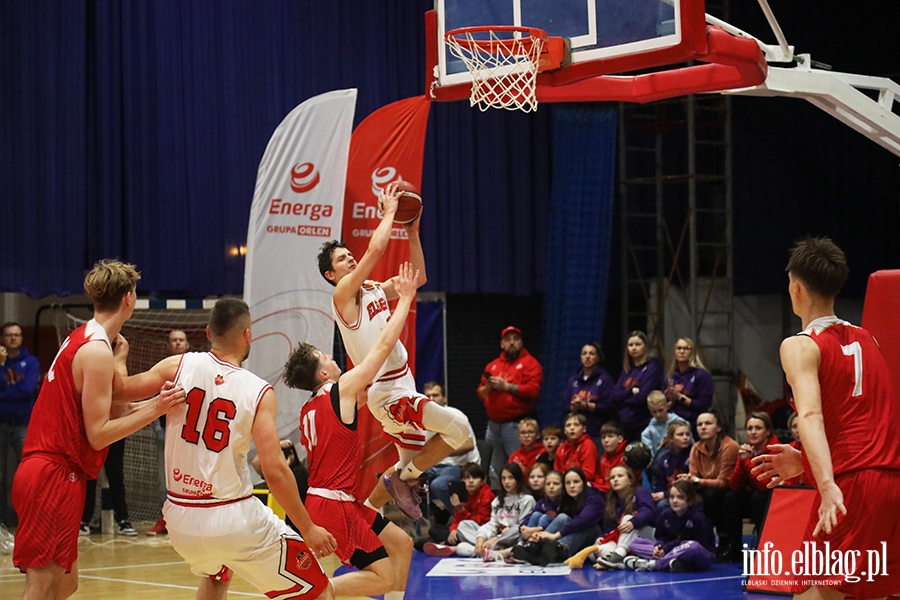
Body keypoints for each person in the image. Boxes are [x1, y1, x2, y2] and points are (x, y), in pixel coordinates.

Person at [112, 297, 337, 600]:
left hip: (180, 520)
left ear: (207, 332)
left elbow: (117, 394)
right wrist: (308, 529)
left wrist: (119, 358)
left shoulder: (177, 366)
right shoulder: (257, 390)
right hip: (233, 519)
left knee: (217, 575)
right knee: (319, 592)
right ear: (248, 335)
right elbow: (274, 470)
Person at [12, 259, 186, 600]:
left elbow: (117, 398)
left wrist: (156, 392)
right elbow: (99, 433)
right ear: (128, 299)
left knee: (66, 584)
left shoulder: (90, 339)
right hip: (52, 475)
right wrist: (156, 407)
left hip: (54, 473)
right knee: (42, 587)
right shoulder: (94, 350)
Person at [751, 237, 900, 600]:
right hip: (891, 484)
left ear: (796, 288)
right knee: (868, 594)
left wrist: (828, 484)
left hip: (851, 487)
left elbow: (812, 415)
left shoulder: (800, 345)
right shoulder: (869, 340)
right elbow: (862, 425)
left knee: (813, 593)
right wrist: (806, 464)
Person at [318, 184, 473, 520]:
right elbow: (374, 250)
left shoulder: (372, 289)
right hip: (386, 392)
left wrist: (412, 232)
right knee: (460, 430)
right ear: (332, 275)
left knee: (407, 464)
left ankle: (369, 515)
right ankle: (402, 479)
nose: (351, 258)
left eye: (350, 254)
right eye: (343, 259)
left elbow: (417, 278)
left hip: (404, 382)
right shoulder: (342, 296)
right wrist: (389, 212)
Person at [283, 262, 421, 599]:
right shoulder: (339, 390)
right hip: (333, 504)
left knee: (402, 544)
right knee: (383, 576)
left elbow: (367, 393)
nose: (331, 357)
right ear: (323, 376)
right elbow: (381, 351)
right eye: (323, 357)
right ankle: (318, 593)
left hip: (333, 499)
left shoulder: (311, 408)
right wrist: (403, 300)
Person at [425, 462, 535, 561]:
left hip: (511, 537)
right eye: (503, 478)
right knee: (463, 525)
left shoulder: (527, 500)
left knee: (517, 529)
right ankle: (488, 551)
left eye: (510, 478)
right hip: (492, 536)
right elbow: (492, 524)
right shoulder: (498, 500)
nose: (506, 482)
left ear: (518, 479)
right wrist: (480, 539)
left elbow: (523, 528)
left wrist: (495, 538)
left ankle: (458, 549)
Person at [478, 326, 543, 487]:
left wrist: (507, 387)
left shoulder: (530, 363)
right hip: (493, 426)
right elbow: (480, 393)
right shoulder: (493, 365)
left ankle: (524, 502)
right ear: (502, 344)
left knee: (519, 468)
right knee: (494, 469)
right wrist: (488, 387)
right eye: (507, 340)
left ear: (521, 342)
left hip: (516, 425)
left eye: (515, 339)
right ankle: (500, 503)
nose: (511, 343)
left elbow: (534, 390)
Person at [677, 409, 738, 559]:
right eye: (699, 424)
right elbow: (694, 474)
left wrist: (697, 481)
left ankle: (725, 540)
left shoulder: (729, 446)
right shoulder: (696, 447)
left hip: (728, 492)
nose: (703, 427)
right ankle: (691, 541)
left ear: (718, 428)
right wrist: (688, 478)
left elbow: (724, 482)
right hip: (705, 489)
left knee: (711, 496)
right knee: (685, 496)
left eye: (708, 423)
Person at [148, 329, 192, 536]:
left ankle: (189, 521)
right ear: (168, 345)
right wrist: (157, 427)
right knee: (164, 477)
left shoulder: (195, 369)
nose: (177, 343)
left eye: (180, 340)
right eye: (173, 340)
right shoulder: (161, 369)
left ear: (187, 344)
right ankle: (164, 517)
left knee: (191, 476)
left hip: (190, 435)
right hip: (165, 431)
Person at [622, 480, 716, 573]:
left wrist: (667, 548)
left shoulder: (698, 517)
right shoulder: (665, 515)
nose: (675, 501)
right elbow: (661, 536)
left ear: (690, 500)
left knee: (693, 546)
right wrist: (659, 547)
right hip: (672, 551)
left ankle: (652, 564)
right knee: (634, 543)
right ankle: (674, 563)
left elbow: (701, 545)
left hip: (700, 555)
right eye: (672, 497)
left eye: (680, 497)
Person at [722, 411, 779, 562]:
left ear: (767, 431)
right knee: (730, 498)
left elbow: (764, 484)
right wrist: (742, 461)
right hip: (755, 497)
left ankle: (763, 550)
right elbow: (734, 485)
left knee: (758, 498)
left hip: (772, 498)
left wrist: (747, 461)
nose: (753, 432)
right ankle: (734, 548)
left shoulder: (775, 449)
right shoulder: (746, 450)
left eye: (758, 428)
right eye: (750, 428)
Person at [418, 382, 479, 521]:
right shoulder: (422, 419)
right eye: (428, 396)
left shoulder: (456, 416)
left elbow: (468, 445)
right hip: (433, 465)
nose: (431, 399)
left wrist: (441, 451)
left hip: (457, 465)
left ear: (444, 398)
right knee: (402, 481)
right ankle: (437, 515)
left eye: (435, 395)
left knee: (438, 485)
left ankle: (464, 519)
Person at [0, 322, 40, 528]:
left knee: (26, 474)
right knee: (1, 475)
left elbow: (26, 390)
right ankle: (2, 522)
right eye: (9, 335)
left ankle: (26, 520)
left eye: (17, 334)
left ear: (22, 338)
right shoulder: (1, 363)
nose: (13, 338)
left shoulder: (31, 362)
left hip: (23, 424)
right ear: (3, 339)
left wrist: (2, 395)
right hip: (1, 423)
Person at [417, 462, 494, 554]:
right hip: (462, 529)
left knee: (461, 530)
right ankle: (443, 544)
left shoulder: (487, 495)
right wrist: (453, 529)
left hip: (479, 531)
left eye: (475, 478)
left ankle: (443, 544)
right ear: (462, 480)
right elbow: (457, 519)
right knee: (434, 530)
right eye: (467, 478)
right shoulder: (461, 493)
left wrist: (461, 510)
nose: (471, 481)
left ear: (482, 481)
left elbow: (482, 522)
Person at [609, 331, 666, 441]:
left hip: (644, 423)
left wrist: (622, 399)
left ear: (645, 346)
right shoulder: (627, 370)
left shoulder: (652, 366)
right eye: (630, 345)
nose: (633, 348)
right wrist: (630, 392)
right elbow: (613, 397)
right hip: (625, 424)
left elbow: (643, 396)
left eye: (637, 344)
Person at [561, 343, 616, 446]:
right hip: (576, 435)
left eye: (591, 354)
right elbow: (564, 406)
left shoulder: (605, 379)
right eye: (584, 353)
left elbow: (610, 406)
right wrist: (574, 407)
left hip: (597, 433)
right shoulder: (573, 380)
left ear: (598, 357)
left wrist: (586, 405)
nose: (587, 357)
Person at [665, 337, 714, 433]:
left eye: (686, 348)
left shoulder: (701, 374)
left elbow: (704, 405)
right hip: (672, 425)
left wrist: (680, 397)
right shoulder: (670, 375)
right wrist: (669, 401)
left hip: (693, 424)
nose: (682, 351)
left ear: (693, 352)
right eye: (679, 348)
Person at [649, 419, 692, 509]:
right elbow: (658, 483)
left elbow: (691, 485)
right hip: (670, 495)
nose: (685, 437)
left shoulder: (693, 454)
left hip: (688, 494)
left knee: (662, 505)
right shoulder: (664, 458)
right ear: (671, 438)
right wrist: (658, 494)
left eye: (687, 434)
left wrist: (665, 494)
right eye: (680, 434)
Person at [640, 390, 690, 462]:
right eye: (654, 412)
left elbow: (691, 446)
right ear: (649, 410)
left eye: (661, 410)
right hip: (658, 469)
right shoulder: (647, 433)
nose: (658, 414)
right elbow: (648, 460)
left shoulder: (683, 423)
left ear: (667, 406)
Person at [554, 412, 598, 483]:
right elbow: (557, 472)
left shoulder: (588, 444)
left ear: (584, 429)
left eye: (576, 425)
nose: (572, 428)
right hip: (564, 483)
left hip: (582, 483)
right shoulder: (561, 448)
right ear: (565, 431)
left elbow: (589, 473)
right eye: (568, 425)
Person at [594, 422, 626, 493]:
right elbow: (599, 478)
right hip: (605, 493)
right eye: (603, 437)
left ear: (620, 439)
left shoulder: (626, 458)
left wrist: (597, 487)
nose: (606, 440)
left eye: (610, 436)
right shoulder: (602, 459)